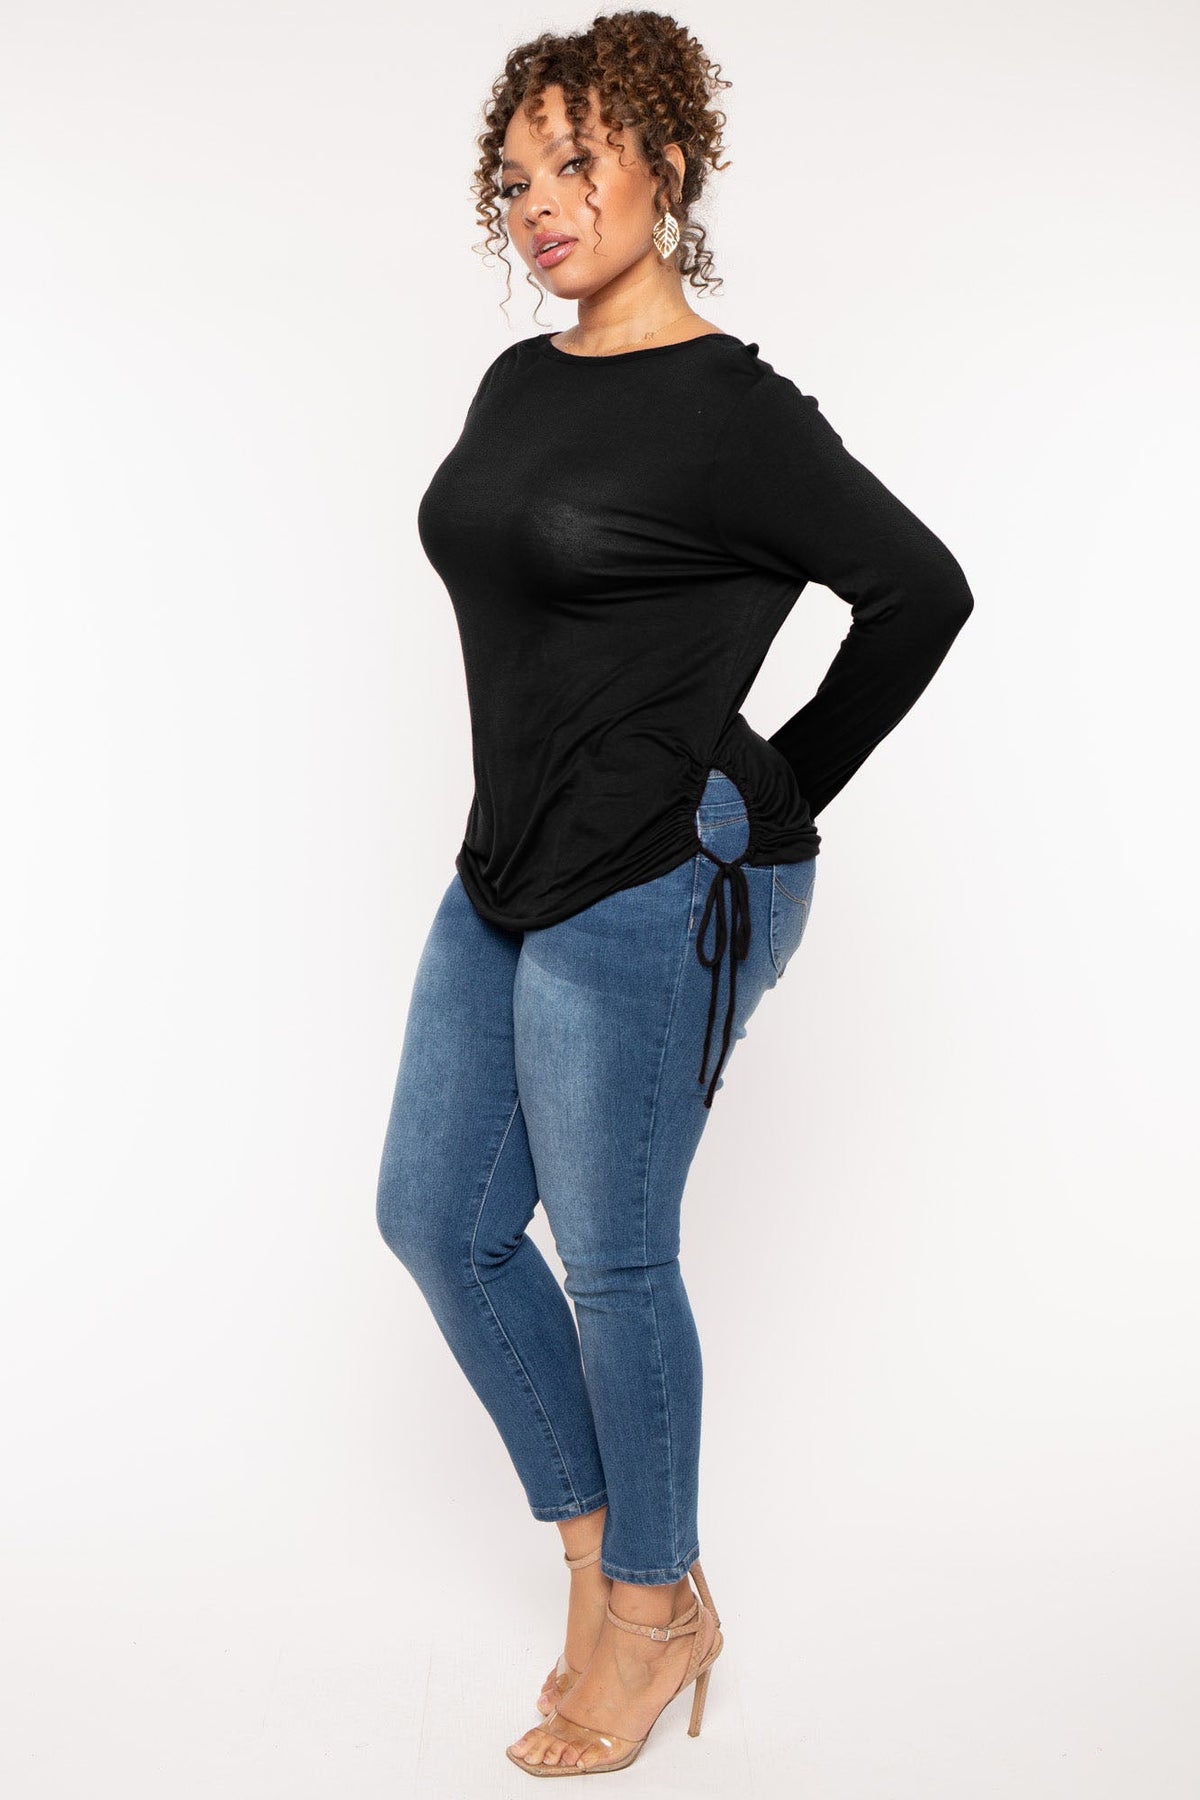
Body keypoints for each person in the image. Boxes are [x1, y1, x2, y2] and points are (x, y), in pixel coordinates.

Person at [375, 9, 974, 1777]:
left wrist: (765, 790)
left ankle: (655, 1611)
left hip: (653, 882)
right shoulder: (521, 382)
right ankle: (603, 1561)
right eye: (516, 180)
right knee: (438, 1219)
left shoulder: (736, 417)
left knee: (616, 1258)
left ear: (670, 166)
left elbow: (922, 592)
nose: (543, 205)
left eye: (579, 164)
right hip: (506, 861)